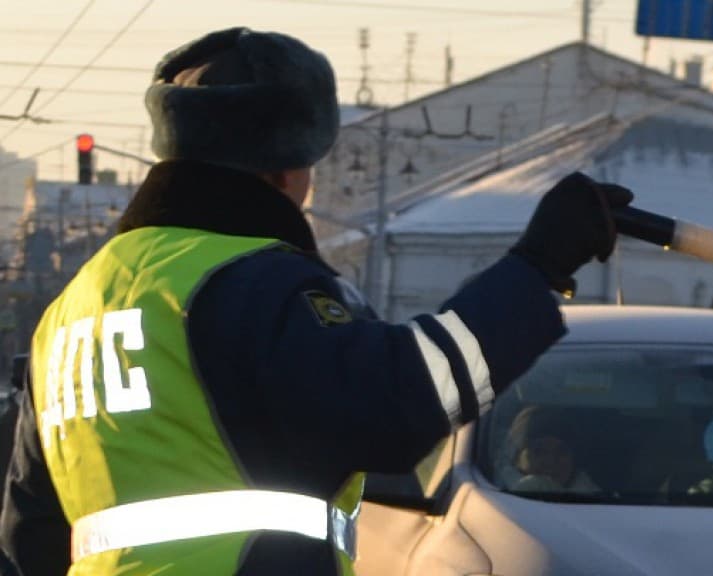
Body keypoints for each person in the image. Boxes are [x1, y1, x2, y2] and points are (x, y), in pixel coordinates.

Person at [0, 27, 633, 576]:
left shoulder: (71, 311)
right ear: (283, 170)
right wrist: (538, 265)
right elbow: (397, 403)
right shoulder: (251, 281)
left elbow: (29, 531)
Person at [507, 406, 600, 494]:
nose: (550, 461)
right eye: (539, 451)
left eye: (561, 452)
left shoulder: (597, 503)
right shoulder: (499, 498)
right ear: (517, 459)